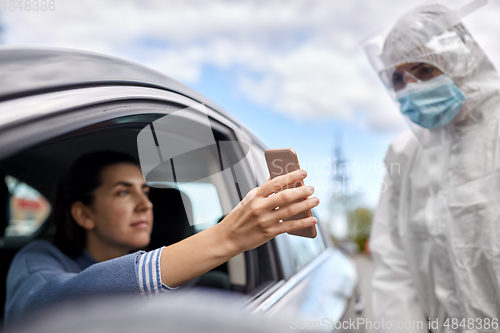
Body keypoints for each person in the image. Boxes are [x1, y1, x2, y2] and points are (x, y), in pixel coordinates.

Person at [4, 151, 319, 326]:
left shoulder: (186, 275)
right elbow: (38, 312)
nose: (145, 204)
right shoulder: (39, 258)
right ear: (84, 214)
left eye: (145, 191)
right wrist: (228, 237)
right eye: (123, 191)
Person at [366, 3, 500, 333]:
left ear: (461, 59)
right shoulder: (404, 154)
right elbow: (392, 266)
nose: (410, 87)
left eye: (424, 70)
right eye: (397, 78)